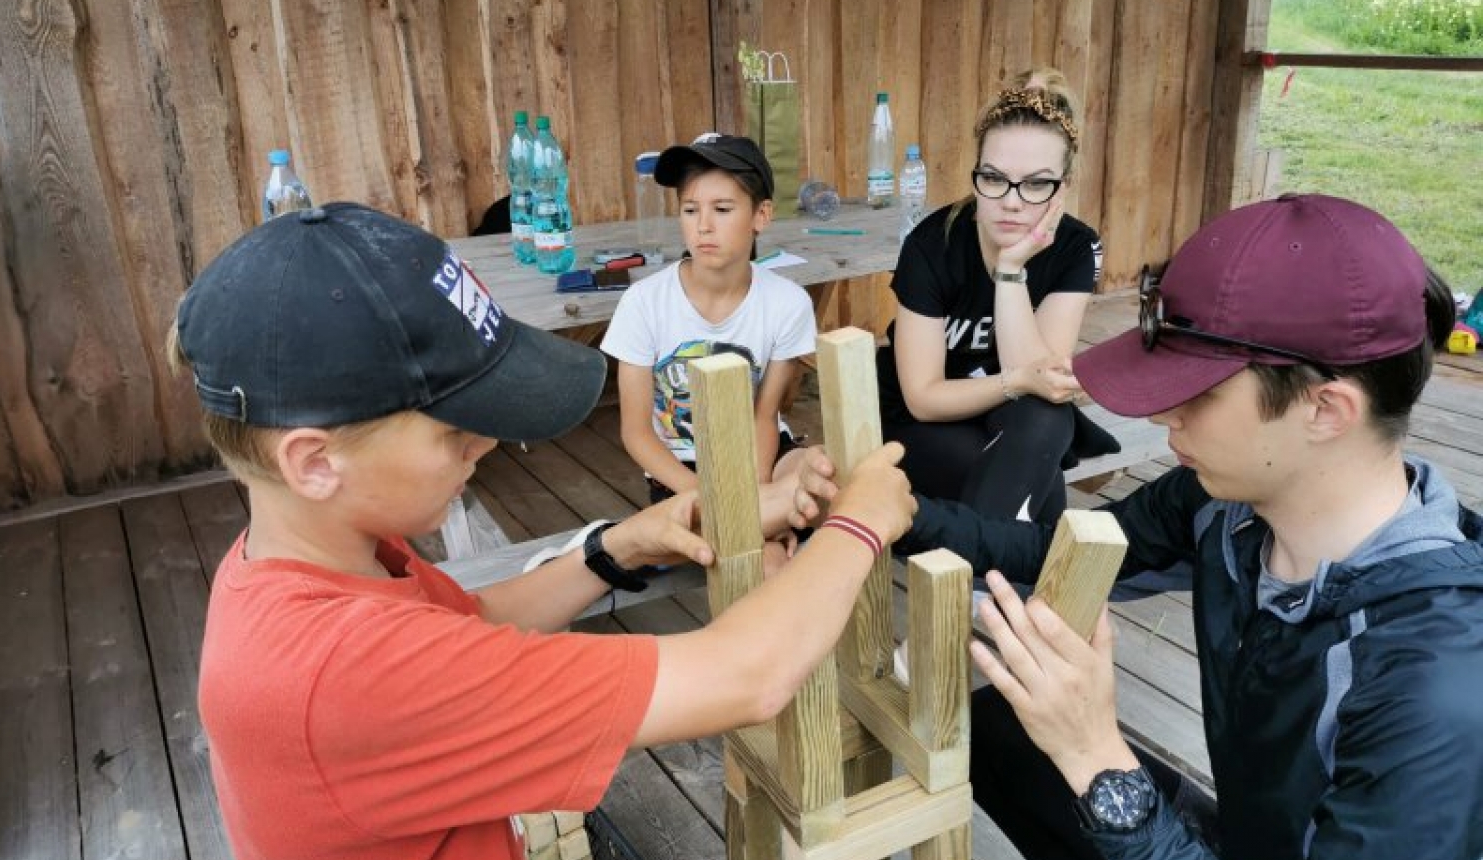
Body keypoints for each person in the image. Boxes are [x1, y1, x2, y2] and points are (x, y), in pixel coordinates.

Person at [172, 202, 915, 860]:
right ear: (313, 461)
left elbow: (473, 622)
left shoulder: (308, 562)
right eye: (457, 430)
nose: (485, 444)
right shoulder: (347, 674)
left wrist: (619, 546)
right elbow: (744, 677)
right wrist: (859, 523)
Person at [796, 193, 1483, 858]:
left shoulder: (1433, 688)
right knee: (1003, 732)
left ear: (1326, 410)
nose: (1162, 416)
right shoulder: (1228, 507)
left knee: (1069, 759)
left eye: (1199, 393)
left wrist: (1098, 760)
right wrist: (895, 514)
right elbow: (1049, 553)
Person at [875, 67, 1117, 527]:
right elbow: (924, 397)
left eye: (1036, 183)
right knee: (1028, 467)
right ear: (976, 178)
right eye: (994, 177)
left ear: (1062, 188)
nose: (1011, 200)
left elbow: (1041, 382)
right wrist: (1018, 382)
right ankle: (1014, 587)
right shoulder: (931, 245)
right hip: (919, 421)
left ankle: (982, 585)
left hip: (1013, 420)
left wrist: (1010, 272)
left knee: (1043, 424)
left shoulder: (1074, 246)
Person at [602, 132, 817, 503]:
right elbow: (637, 432)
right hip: (681, 467)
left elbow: (764, 417)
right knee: (764, 546)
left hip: (759, 451)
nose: (703, 225)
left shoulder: (789, 303)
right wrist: (711, 499)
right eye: (690, 209)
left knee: (820, 475)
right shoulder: (644, 302)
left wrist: (757, 495)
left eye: (722, 209)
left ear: (761, 215)